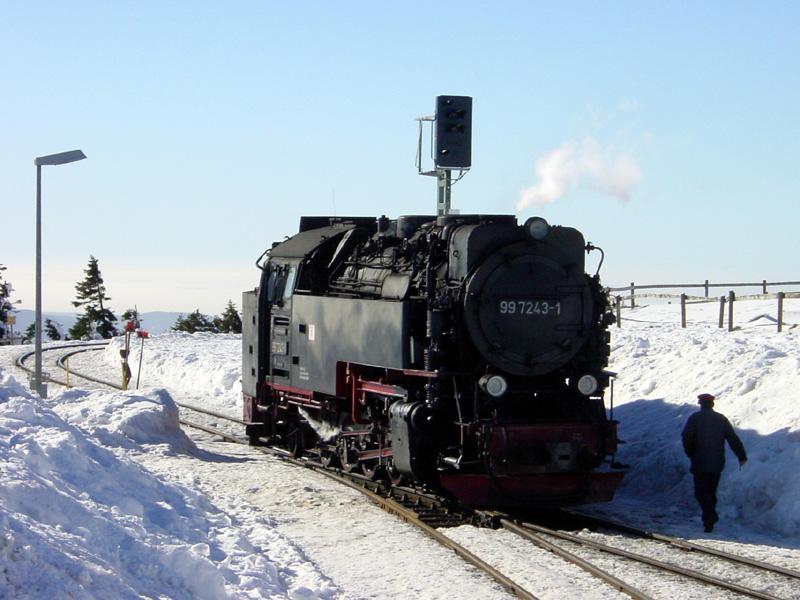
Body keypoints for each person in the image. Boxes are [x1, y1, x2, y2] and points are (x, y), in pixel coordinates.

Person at [681, 393, 747, 532]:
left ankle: (709, 516)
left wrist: (691, 453)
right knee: (711, 491)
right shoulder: (721, 419)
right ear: (712, 404)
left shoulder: (695, 418)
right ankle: (709, 518)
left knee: (700, 492)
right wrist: (741, 455)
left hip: (699, 461)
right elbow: (732, 438)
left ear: (700, 404)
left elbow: (686, 437)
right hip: (717, 462)